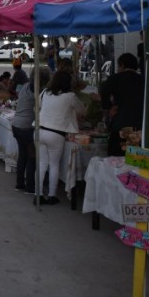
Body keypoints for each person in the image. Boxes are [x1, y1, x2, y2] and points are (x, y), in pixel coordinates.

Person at [36, 71, 86, 205]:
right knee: (54, 165)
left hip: (39, 130)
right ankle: (52, 195)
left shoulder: (45, 92)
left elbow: (39, 107)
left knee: (41, 164)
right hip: (55, 133)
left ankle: (38, 194)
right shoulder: (70, 96)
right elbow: (82, 110)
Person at [13, 68, 50, 194]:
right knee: (32, 157)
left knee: (23, 156)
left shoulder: (26, 86)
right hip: (27, 127)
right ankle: (30, 186)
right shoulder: (40, 92)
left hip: (17, 125)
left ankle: (19, 183)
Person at [99, 53, 144, 156]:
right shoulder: (144, 80)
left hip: (120, 123)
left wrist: (108, 107)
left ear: (122, 65)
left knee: (116, 156)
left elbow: (104, 90)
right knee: (138, 158)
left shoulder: (116, 78)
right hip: (140, 124)